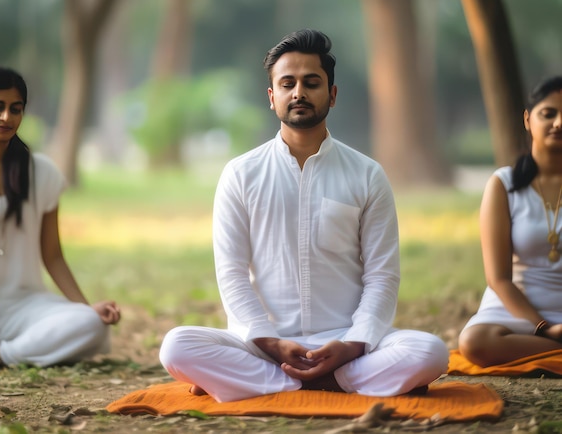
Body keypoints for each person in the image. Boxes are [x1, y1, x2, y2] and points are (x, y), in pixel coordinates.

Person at [159, 29, 448, 402]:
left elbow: (382, 274)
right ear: (272, 96)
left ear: (332, 94)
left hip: (345, 339)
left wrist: (353, 344)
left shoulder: (366, 173)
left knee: (430, 352)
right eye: (287, 83)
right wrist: (272, 343)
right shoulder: (241, 174)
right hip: (263, 343)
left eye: (311, 83)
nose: (299, 93)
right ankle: (337, 383)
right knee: (176, 346)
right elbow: (231, 272)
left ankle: (269, 381)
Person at [0, 66, 121, 369]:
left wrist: (86, 309)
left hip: (24, 311)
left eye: (15, 109)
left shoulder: (43, 173)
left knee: (92, 325)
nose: (6, 117)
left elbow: (53, 256)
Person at [459, 75, 562, 367]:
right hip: (516, 305)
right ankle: (550, 346)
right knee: (474, 342)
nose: (558, 123)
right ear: (528, 120)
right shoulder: (504, 184)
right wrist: (544, 327)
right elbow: (499, 279)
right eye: (549, 114)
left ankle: (543, 351)